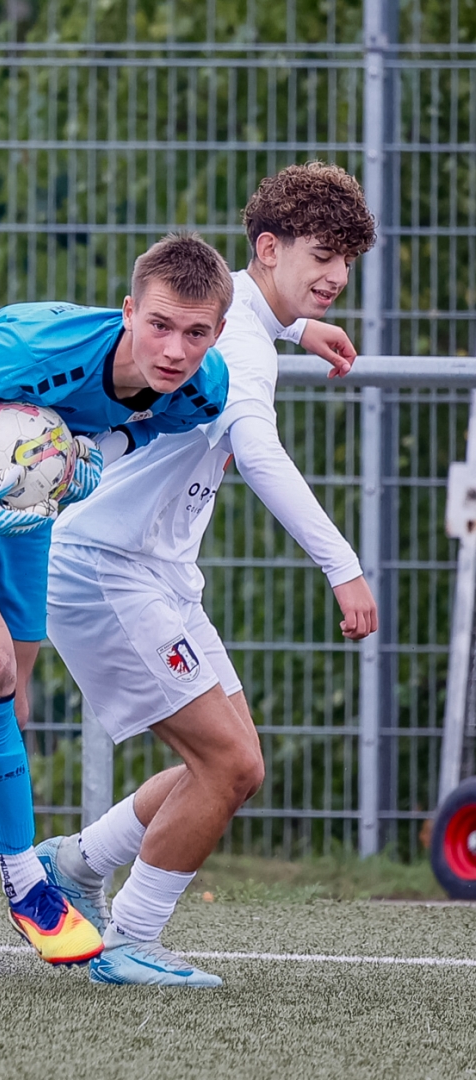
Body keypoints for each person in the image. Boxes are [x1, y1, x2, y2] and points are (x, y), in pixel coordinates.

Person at [38, 162, 379, 986]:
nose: (336, 275)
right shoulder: (239, 346)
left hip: (148, 571)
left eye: (345, 260)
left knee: (233, 767)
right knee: (224, 765)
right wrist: (343, 568)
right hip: (103, 567)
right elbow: (257, 453)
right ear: (268, 248)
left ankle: (73, 865)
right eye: (321, 256)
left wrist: (300, 328)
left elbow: (242, 316)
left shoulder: (237, 320)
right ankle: (128, 940)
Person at [0, 232, 235, 984]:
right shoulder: (31, 349)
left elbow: (142, 424)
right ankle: (28, 885)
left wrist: (100, 452)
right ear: (128, 311)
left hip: (29, 499)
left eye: (196, 333)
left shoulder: (202, 388)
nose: (175, 349)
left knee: (9, 707)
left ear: (217, 332)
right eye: (159, 325)